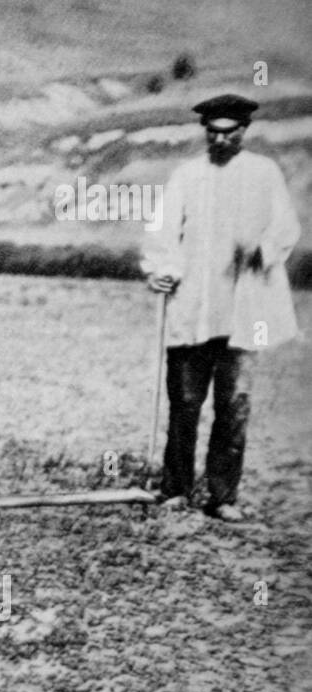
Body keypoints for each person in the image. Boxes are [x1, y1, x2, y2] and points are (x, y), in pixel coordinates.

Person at [142, 94, 301, 522]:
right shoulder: (187, 176)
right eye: (213, 133)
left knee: (234, 405)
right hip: (193, 306)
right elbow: (161, 232)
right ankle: (175, 489)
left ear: (244, 132)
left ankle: (223, 496)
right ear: (205, 133)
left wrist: (262, 250)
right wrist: (160, 269)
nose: (221, 141)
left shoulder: (264, 174)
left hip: (244, 310)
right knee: (185, 401)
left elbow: (286, 226)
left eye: (230, 133)